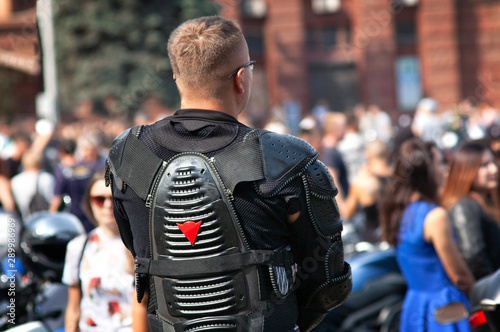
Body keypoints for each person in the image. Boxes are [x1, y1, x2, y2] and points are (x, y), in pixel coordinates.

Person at [106, 15, 351, 332]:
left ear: (177, 77)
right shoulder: (286, 159)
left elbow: (137, 251)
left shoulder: (128, 154)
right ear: (241, 78)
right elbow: (328, 280)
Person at [379, 138, 474, 332]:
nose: (445, 169)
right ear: (427, 171)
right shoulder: (435, 216)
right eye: (440, 163)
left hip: (414, 304)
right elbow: (458, 276)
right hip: (444, 308)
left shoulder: (401, 212)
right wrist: (479, 295)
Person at [62, 169, 138, 332]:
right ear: (89, 202)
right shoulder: (78, 247)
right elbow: (73, 308)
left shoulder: (138, 245)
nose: (107, 205)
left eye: (113, 198)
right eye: (99, 199)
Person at [441, 140, 500, 280]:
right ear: (466, 171)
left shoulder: (483, 201)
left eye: (492, 162)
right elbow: (474, 257)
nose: (494, 169)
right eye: (484, 165)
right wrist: (493, 290)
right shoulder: (464, 206)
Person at [343, 140, 391, 243]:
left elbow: (347, 213)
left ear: (367, 156)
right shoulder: (397, 178)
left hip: (373, 241)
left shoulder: (362, 182)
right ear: (388, 155)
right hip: (396, 236)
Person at [49, 138, 95, 232]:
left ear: (60, 152)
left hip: (71, 218)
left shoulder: (62, 171)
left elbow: (57, 199)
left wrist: (50, 219)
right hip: (90, 213)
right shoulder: (88, 167)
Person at [11, 148, 55, 221]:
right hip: (45, 221)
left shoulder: (15, 180)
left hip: (25, 220)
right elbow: (52, 200)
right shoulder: (46, 178)